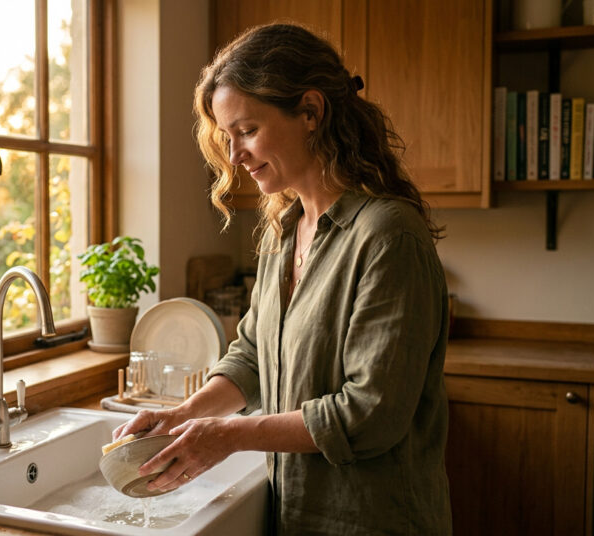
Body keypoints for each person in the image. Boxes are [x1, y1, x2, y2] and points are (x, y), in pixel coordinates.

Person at [113, 22, 452, 535]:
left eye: (247, 131)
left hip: (372, 521)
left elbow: (370, 415)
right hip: (295, 516)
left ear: (311, 112)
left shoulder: (388, 237)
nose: (234, 157)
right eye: (227, 138)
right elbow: (251, 354)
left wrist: (229, 435)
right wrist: (184, 414)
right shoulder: (283, 231)